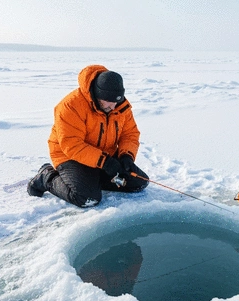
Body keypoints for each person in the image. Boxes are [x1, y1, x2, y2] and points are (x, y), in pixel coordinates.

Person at [27, 65, 149, 207]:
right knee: (87, 198)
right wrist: (105, 162)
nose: (114, 107)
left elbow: (130, 133)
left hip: (104, 156)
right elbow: (71, 145)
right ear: (98, 95)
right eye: (109, 102)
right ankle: (46, 176)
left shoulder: (120, 106)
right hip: (70, 156)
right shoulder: (70, 106)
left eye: (116, 101)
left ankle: (93, 179)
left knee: (139, 183)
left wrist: (126, 156)